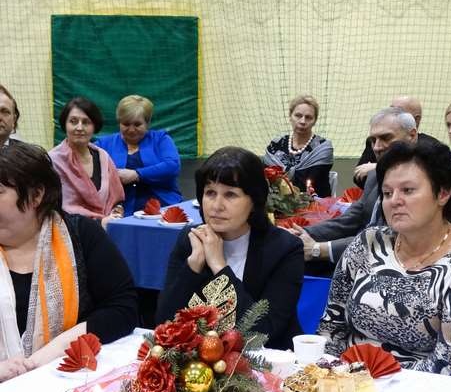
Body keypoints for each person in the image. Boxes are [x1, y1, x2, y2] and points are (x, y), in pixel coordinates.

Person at [318, 140, 451, 389]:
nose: (394, 201)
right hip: (349, 384)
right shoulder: (368, 243)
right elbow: (331, 326)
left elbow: (449, 365)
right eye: (387, 193)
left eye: (408, 190)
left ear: (443, 193)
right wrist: (329, 379)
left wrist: (371, 388)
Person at [0, 142, 137, 382]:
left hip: (67, 380)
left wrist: (44, 357)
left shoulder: (80, 235)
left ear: (36, 195)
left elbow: (123, 309)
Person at [156, 147, 304, 350]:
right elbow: (164, 324)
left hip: (268, 360)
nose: (217, 205)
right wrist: (193, 267)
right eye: (210, 193)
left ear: (254, 201)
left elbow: (262, 332)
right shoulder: (190, 239)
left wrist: (220, 268)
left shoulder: (285, 249)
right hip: (199, 360)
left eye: (230, 195)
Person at [291, 107, 418, 276]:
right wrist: (301, 233)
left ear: (412, 136)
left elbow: (389, 239)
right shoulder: (374, 176)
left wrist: (318, 249)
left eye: (386, 138)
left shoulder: (422, 184)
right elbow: (350, 219)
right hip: (357, 256)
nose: (377, 147)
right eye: (373, 140)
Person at [95, 94, 182, 216]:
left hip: (163, 209)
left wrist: (136, 175)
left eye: (137, 124)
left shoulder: (161, 139)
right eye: (126, 124)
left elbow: (173, 166)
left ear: (147, 123)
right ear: (119, 122)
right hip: (117, 212)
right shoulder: (103, 144)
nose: (131, 130)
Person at [49, 97, 124, 229]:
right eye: (73, 121)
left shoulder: (103, 157)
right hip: (69, 232)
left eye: (86, 122)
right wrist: (98, 223)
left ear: (94, 126)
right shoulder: (52, 160)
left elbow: (117, 200)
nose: (79, 127)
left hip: (109, 229)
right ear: (65, 125)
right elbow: (53, 208)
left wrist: (116, 214)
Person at [353, 95, 436, 188]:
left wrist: (380, 168)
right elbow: (359, 176)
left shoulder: (433, 148)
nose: (376, 147)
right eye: (391, 109)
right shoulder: (375, 142)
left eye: (399, 111)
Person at [264, 94, 334, 197]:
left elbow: (304, 183)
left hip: (314, 204)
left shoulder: (323, 148)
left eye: (308, 117)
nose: (302, 121)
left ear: (315, 121)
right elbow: (266, 178)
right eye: (298, 115)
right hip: (277, 202)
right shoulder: (275, 145)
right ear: (290, 116)